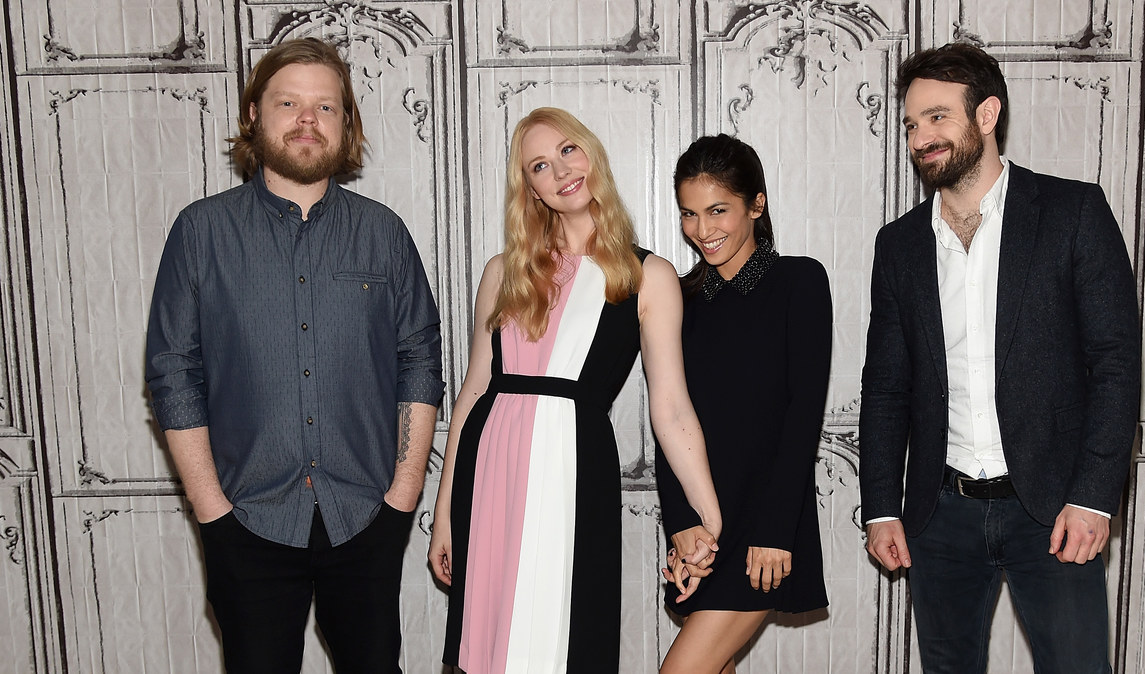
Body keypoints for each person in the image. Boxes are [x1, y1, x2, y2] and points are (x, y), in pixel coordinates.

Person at [145, 37, 444, 673]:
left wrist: (403, 495)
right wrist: (212, 512)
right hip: (245, 517)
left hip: (365, 514)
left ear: (346, 125)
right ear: (254, 114)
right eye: (289, 103)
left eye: (325, 107)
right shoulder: (200, 233)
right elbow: (174, 373)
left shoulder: (383, 232)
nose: (308, 120)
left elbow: (419, 359)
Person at [859, 42, 1140, 673]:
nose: (920, 137)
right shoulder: (899, 244)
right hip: (940, 513)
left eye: (937, 117)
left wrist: (1095, 495)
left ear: (987, 114)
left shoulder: (1072, 213)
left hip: (1054, 508)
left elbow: (1115, 362)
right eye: (911, 123)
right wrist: (881, 506)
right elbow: (885, 386)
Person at [427, 107, 722, 673]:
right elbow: (470, 398)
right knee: (484, 642)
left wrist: (710, 516)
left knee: (563, 634)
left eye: (567, 150)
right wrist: (443, 515)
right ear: (531, 189)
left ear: (591, 153)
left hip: (572, 469)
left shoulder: (647, 276)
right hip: (489, 473)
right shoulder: (501, 273)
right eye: (539, 165)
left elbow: (672, 407)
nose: (560, 170)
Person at [655, 135, 832, 674]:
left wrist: (776, 530)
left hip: (764, 522)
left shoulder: (798, 281)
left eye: (717, 211)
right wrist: (682, 524)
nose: (702, 230)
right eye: (689, 213)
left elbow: (803, 414)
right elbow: (667, 416)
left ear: (756, 205)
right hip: (703, 532)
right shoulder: (678, 300)